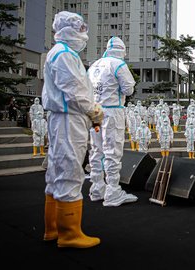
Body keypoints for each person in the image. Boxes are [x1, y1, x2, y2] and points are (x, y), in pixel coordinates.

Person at [42, 11, 102, 248]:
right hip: (70, 119)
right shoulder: (65, 55)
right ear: (69, 30)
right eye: (80, 30)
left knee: (56, 172)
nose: (83, 35)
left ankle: (52, 228)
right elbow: (75, 92)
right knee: (70, 170)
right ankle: (69, 233)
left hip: (63, 119)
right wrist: (94, 110)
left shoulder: (58, 53)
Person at [87, 36, 137, 207]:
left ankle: (97, 187)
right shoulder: (118, 65)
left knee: (96, 149)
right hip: (112, 110)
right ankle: (113, 190)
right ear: (122, 50)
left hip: (95, 111)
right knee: (112, 150)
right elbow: (128, 89)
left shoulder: (94, 65)